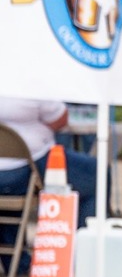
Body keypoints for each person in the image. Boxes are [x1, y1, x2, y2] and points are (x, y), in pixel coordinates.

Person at [0, 98, 98, 267]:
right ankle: (85, 258)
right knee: (95, 174)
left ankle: (16, 263)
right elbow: (60, 118)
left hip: (10, 173)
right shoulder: (33, 83)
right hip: (28, 165)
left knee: (12, 194)